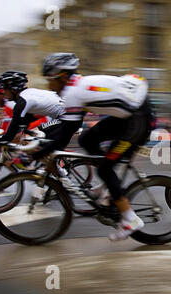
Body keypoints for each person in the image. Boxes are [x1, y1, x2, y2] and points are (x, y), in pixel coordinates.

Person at [41, 52, 156, 241]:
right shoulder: (76, 86)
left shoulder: (73, 92)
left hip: (138, 122)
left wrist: (41, 151)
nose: (49, 86)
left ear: (61, 76)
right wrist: (45, 141)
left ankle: (130, 219)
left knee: (104, 168)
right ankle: (107, 186)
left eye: (50, 80)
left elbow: (64, 136)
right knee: (87, 139)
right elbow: (65, 125)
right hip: (129, 116)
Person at [0, 71, 67, 158]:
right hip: (61, 116)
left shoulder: (22, 102)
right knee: (27, 137)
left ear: (12, 89)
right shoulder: (28, 94)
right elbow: (27, 120)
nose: (4, 93)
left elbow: (9, 136)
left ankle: (59, 166)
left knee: (39, 148)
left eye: (4, 89)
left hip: (65, 118)